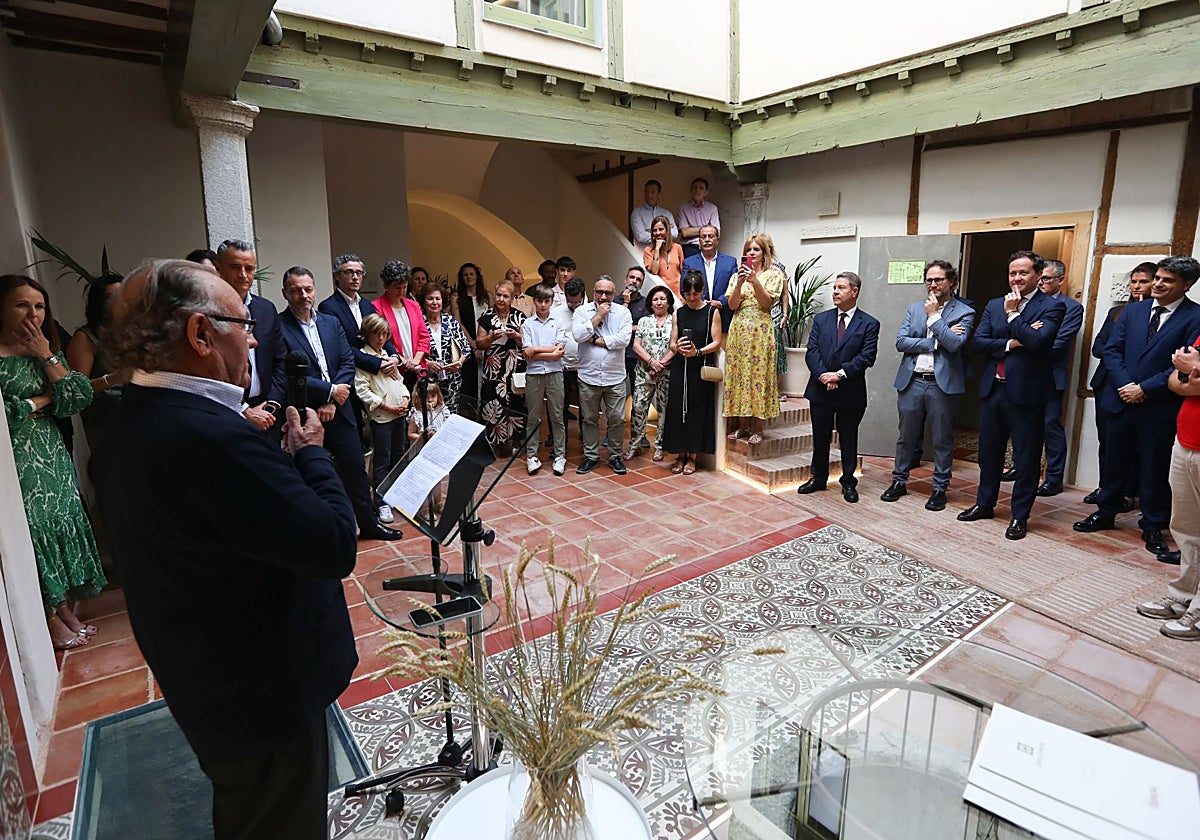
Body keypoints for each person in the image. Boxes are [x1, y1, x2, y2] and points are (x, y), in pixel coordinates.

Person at [92, 260, 358, 839]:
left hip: (210, 680)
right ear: (200, 335)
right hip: (263, 696)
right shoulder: (212, 438)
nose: (255, 340)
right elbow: (334, 542)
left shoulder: (126, 424)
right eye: (244, 324)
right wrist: (312, 453)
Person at [1, 274, 106, 651]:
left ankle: (63, 610)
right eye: (22, 305)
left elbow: (77, 397)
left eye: (39, 306)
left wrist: (45, 354)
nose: (33, 314)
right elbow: (7, 413)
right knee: (35, 530)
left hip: (51, 450)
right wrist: (42, 400)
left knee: (61, 521)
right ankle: (49, 617)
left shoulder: (46, 349)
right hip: (17, 455)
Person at [1074, 256, 1200, 554]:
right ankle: (1106, 511)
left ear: (1187, 285)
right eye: (1158, 277)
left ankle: (1153, 523)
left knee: (1154, 467)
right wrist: (1125, 385)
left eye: (1167, 280)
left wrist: (1144, 388)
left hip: (1158, 406)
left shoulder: (1195, 316)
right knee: (1113, 460)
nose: (1158, 284)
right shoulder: (1133, 311)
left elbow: (1184, 364)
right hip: (1120, 399)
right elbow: (1112, 351)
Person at [280, 266, 403, 541]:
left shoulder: (330, 322)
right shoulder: (279, 327)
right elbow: (287, 374)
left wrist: (335, 399)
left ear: (315, 290)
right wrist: (329, 392)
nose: (303, 295)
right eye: (296, 290)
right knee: (309, 472)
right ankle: (319, 534)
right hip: (307, 412)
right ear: (285, 293)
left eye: (308, 289)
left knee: (355, 470)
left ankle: (368, 525)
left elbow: (347, 361)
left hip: (341, 408)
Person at [958, 250, 1066, 540]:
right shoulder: (995, 304)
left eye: (1023, 273)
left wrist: (1014, 315)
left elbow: (1039, 342)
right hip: (994, 389)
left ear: (1038, 275)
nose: (1016, 278)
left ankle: (1020, 515)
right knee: (988, 454)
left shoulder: (1052, 306)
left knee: (1026, 458)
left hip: (1027, 394)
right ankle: (985, 504)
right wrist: (1012, 343)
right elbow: (979, 342)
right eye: (1012, 273)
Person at [880, 260, 975, 511]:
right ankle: (899, 481)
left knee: (942, 439)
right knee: (906, 437)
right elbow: (901, 342)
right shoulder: (914, 309)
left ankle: (939, 489)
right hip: (912, 381)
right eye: (929, 280)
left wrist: (934, 317)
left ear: (952, 282)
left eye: (938, 279)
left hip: (941, 386)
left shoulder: (964, 312)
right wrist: (934, 342)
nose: (933, 284)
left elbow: (955, 344)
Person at [1135, 337, 1200, 638]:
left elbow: (1187, 372)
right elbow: (1175, 381)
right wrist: (1190, 373)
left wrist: (1194, 370)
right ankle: (1184, 595)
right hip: (1186, 440)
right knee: (1186, 528)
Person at [797, 271, 881, 503]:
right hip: (820, 389)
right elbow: (812, 351)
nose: (835, 291)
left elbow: (867, 357)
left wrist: (839, 375)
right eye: (835, 287)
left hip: (850, 392)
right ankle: (818, 478)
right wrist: (823, 375)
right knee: (820, 436)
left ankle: (848, 482)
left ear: (854, 292)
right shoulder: (821, 319)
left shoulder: (869, 323)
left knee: (848, 437)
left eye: (841, 288)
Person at [1084, 263, 1156, 506]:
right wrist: (1120, 351)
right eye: (1134, 281)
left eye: (1143, 281)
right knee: (1107, 440)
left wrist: (1120, 351)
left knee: (1133, 444)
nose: (1137, 286)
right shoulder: (1117, 312)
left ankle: (1128, 492)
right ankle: (1104, 487)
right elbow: (1099, 347)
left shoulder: (1159, 316)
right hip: (1107, 383)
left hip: (1138, 386)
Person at [214, 239, 287, 435]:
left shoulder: (266, 309)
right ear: (218, 268)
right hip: (228, 414)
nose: (243, 275)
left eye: (249, 268)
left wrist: (272, 404)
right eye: (234, 267)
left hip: (269, 412)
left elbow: (280, 360)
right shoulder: (208, 311)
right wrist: (244, 410)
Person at [724, 233, 785, 444]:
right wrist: (740, 283)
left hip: (761, 331)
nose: (751, 253)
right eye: (748, 250)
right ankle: (742, 426)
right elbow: (732, 305)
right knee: (741, 376)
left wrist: (755, 281)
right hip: (739, 331)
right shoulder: (736, 276)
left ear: (764, 253)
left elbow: (767, 304)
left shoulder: (773, 275)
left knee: (759, 377)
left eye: (756, 249)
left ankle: (757, 428)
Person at [572, 275, 634, 474]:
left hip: (615, 377)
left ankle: (615, 456)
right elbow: (578, 335)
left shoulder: (623, 313)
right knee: (589, 419)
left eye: (608, 293)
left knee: (617, 419)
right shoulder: (582, 311)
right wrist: (597, 316)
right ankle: (591, 456)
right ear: (593, 292)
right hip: (588, 376)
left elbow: (623, 339)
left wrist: (595, 340)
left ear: (614, 294)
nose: (603, 296)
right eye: (600, 292)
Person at [1032, 259, 1084, 497]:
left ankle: (1053, 479)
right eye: (1039, 278)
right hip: (1023, 374)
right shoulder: (1028, 302)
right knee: (1022, 424)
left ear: (1061, 280)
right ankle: (1021, 467)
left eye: (1046, 278)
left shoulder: (1071, 308)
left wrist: (1028, 341)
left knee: (1050, 425)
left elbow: (1059, 342)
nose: (1040, 283)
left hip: (1051, 375)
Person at [662, 271, 722, 474]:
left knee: (697, 410)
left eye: (695, 294)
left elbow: (716, 342)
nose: (691, 297)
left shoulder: (712, 312)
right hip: (681, 366)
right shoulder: (679, 313)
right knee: (677, 409)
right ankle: (679, 454)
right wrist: (677, 346)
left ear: (702, 291)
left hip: (700, 367)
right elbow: (672, 343)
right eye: (688, 294)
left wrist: (697, 352)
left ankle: (693, 457)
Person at [354, 313, 411, 525]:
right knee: (382, 461)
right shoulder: (364, 358)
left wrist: (405, 399)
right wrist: (387, 406)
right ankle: (381, 502)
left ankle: (396, 495)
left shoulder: (387, 354)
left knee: (399, 456)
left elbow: (399, 381)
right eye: (376, 334)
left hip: (399, 415)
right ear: (367, 334)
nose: (380, 339)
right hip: (382, 419)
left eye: (384, 335)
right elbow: (362, 390)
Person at [66, 274, 129, 454]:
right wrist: (114, 378)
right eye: (112, 297)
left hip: (138, 413)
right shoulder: (85, 338)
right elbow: (77, 390)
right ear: (99, 303)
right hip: (105, 421)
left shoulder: (134, 331)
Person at [521, 284, 567, 476]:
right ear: (534, 301)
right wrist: (550, 352)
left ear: (551, 302)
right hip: (534, 374)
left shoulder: (558, 321)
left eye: (546, 301)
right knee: (533, 417)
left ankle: (560, 456)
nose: (542, 304)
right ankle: (532, 456)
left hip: (555, 373)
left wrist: (536, 349)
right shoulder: (528, 324)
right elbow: (527, 353)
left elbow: (560, 350)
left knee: (557, 416)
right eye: (539, 301)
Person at [476, 279, 527, 453]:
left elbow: (527, 343)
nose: (501, 299)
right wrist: (491, 337)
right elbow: (479, 344)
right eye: (498, 295)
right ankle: (494, 441)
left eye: (505, 296)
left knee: (515, 402)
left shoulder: (520, 316)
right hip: (494, 369)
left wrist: (516, 336)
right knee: (492, 402)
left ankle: (516, 441)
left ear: (512, 298)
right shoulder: (486, 317)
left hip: (514, 367)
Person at [628, 285, 676, 462]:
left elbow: (675, 346)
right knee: (638, 408)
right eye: (655, 299)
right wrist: (651, 362)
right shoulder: (643, 321)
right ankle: (635, 445)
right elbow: (636, 346)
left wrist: (661, 364)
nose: (659, 302)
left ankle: (659, 446)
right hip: (644, 372)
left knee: (664, 410)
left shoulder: (675, 321)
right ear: (650, 302)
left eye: (662, 298)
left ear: (668, 301)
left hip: (666, 373)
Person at [373, 260, 430, 393]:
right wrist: (403, 361)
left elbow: (424, 335)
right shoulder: (376, 307)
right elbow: (381, 341)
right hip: (396, 370)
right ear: (386, 285)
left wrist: (416, 361)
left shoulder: (413, 305)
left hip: (418, 368)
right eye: (397, 287)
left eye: (404, 287)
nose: (401, 291)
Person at [420, 282, 471, 415]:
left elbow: (466, 348)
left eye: (438, 298)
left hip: (452, 382)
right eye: (430, 299)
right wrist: (428, 363)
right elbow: (412, 351)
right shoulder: (419, 322)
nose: (434, 302)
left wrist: (459, 363)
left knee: (450, 416)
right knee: (430, 417)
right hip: (429, 382)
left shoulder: (451, 321)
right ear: (424, 302)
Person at [549, 277, 586, 452]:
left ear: (583, 296)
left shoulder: (590, 311)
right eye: (570, 302)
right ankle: (556, 438)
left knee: (586, 405)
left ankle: (586, 436)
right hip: (562, 366)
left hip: (584, 367)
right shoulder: (556, 312)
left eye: (577, 302)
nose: (574, 306)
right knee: (559, 405)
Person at [682, 224, 736, 333]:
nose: (707, 240)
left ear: (717, 240)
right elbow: (684, 288)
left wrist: (721, 302)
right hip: (697, 315)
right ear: (699, 240)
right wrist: (701, 302)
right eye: (703, 237)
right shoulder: (689, 262)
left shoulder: (730, 262)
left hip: (724, 316)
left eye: (710, 236)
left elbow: (735, 287)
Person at [451, 262, 490, 414]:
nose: (469, 277)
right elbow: (458, 322)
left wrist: (483, 343)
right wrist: (473, 344)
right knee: (469, 380)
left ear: (477, 276)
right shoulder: (456, 297)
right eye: (465, 275)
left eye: (471, 274)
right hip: (467, 345)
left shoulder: (487, 296)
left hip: (486, 345)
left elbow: (491, 320)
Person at [618, 266, 649, 400]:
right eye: (632, 277)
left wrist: (625, 329)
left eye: (638, 279)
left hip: (636, 356)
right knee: (616, 392)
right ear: (625, 279)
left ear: (641, 284)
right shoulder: (615, 301)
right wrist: (626, 302)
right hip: (616, 355)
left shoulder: (646, 303)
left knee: (637, 393)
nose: (634, 281)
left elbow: (645, 326)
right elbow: (614, 324)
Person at [677, 177, 721, 259]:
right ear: (691, 190)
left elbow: (716, 232)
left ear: (706, 192)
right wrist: (707, 229)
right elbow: (685, 232)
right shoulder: (683, 208)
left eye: (701, 188)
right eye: (695, 188)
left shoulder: (712, 208)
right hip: (689, 247)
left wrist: (692, 230)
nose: (697, 190)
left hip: (708, 245)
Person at [643, 215, 685, 300]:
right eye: (655, 230)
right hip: (662, 295)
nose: (658, 233)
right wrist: (657, 249)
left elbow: (683, 271)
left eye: (661, 229)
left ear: (667, 230)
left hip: (679, 295)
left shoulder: (677, 248)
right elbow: (654, 271)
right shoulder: (648, 250)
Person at [630, 178, 678, 248]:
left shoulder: (667, 213)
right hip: (642, 253)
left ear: (658, 194)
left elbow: (675, 234)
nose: (649, 195)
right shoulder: (637, 213)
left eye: (652, 192)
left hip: (664, 253)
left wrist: (650, 231)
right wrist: (666, 231)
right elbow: (640, 236)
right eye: (647, 192)